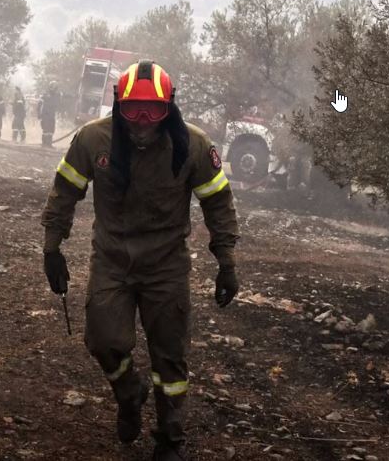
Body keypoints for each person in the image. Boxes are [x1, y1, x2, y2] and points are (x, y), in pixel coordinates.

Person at [41, 61, 240, 460]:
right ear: (118, 106)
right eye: (133, 110)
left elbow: (217, 202)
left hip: (166, 266)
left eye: (153, 111)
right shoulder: (93, 140)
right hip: (112, 260)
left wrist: (226, 260)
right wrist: (51, 247)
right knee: (102, 341)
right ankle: (129, 393)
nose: (143, 121)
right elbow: (65, 191)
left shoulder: (194, 146)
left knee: (170, 356)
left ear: (170, 108)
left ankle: (171, 440)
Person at [38, 82, 61, 148]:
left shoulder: (56, 95)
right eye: (54, 87)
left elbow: (64, 96)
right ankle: (44, 143)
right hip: (45, 115)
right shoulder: (45, 95)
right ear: (50, 87)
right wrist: (39, 114)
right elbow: (39, 104)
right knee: (46, 129)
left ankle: (49, 144)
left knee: (51, 130)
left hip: (51, 116)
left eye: (56, 87)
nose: (55, 89)